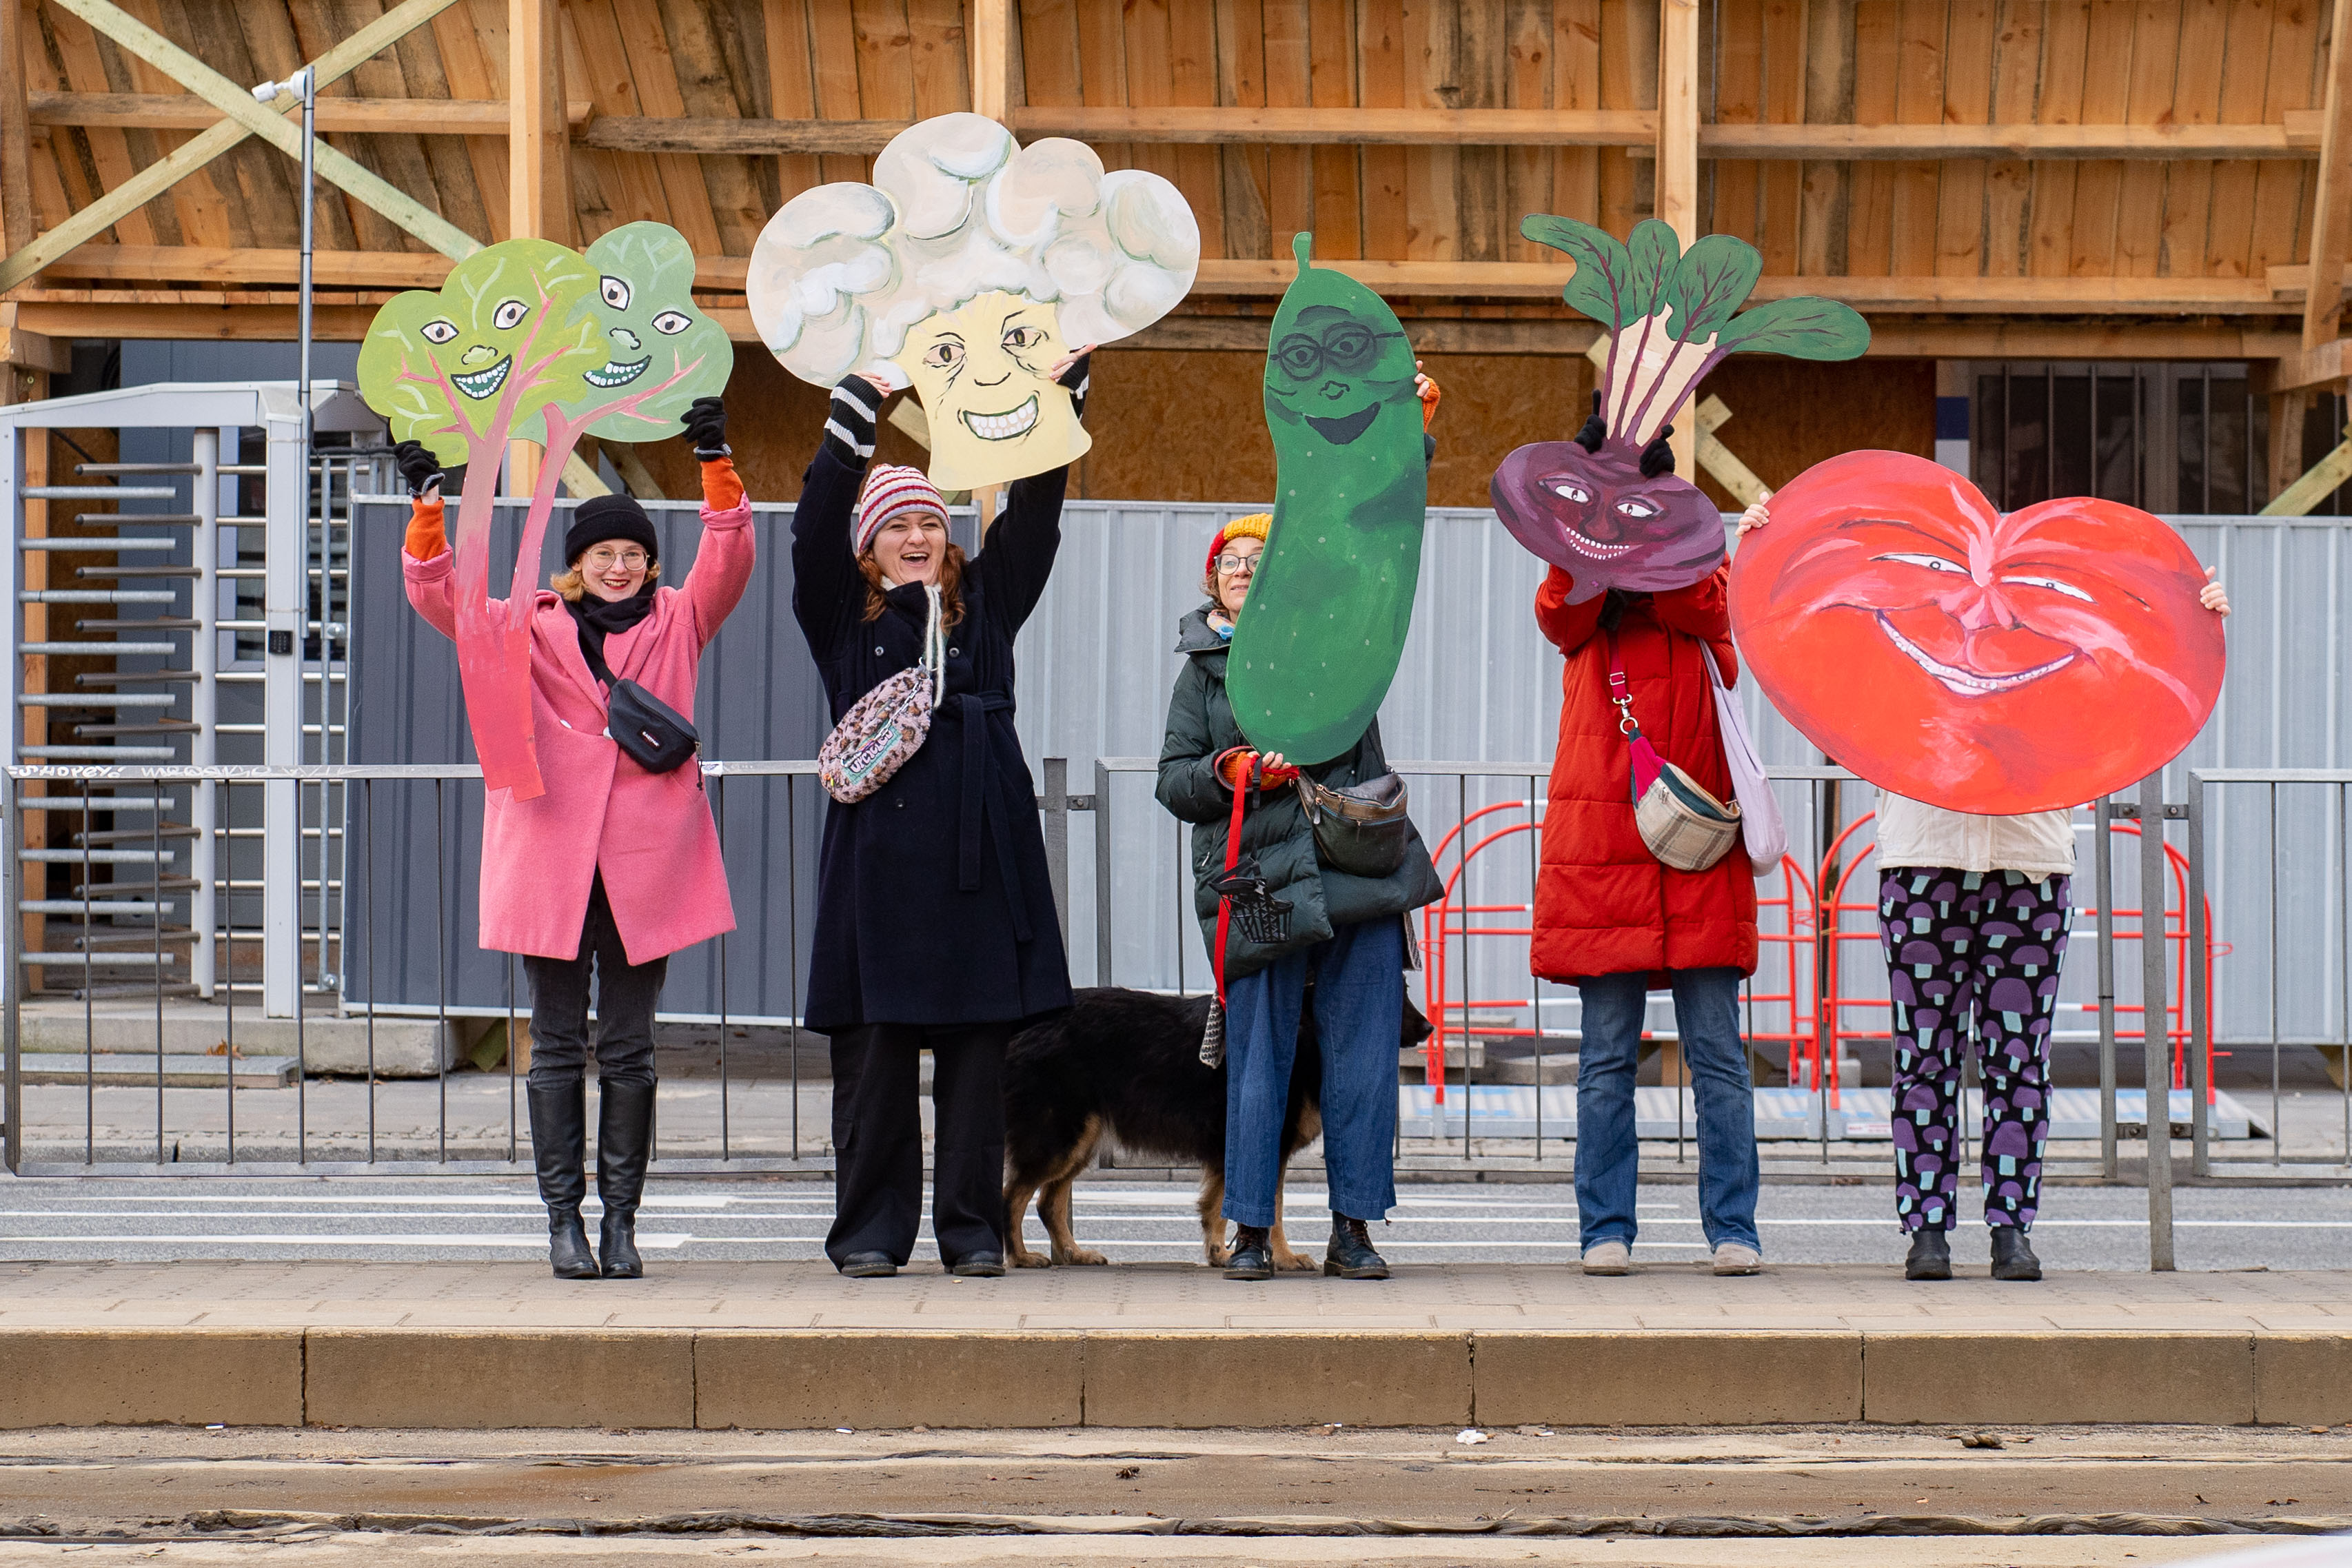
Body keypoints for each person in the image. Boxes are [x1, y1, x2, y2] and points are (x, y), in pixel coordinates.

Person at [1736, 496, 2231, 1283]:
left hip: (2027, 864)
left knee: (2017, 1059)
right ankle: (1926, 1228)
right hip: (1921, 860)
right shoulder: (1901, 650)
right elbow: (1816, 653)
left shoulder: (2051, 649)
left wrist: (2190, 617)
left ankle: (2010, 1228)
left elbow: (2135, 682)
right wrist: (1767, 543)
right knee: (1924, 1055)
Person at [396, 397, 750, 1281]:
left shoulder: (679, 620)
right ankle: (564, 1222)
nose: (623, 566)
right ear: (579, 568)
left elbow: (731, 556)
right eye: (606, 555)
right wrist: (430, 513)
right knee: (555, 1042)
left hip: (645, 865)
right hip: (554, 859)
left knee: (629, 1045)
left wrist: (714, 459)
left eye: (635, 553)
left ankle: (621, 1220)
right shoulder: (529, 622)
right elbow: (441, 599)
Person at [793, 360, 1088, 1280]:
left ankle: (970, 1231)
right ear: (870, 545)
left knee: (974, 1061)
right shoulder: (842, 614)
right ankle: (872, 1232)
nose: (917, 536)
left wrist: (1059, 400)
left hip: (979, 857)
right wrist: (856, 414)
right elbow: (809, 529)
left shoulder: (987, 603)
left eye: (930, 522)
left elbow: (1034, 515)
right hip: (880, 868)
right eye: (897, 526)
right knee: (877, 1063)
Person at [1155, 373, 1446, 1284]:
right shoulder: (1202, 677)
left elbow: (1382, 546)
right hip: (1261, 884)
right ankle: (1248, 1230)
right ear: (1216, 582)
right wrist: (1229, 770)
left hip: (1356, 875)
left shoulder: (1339, 634)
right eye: (1232, 563)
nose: (1248, 571)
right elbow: (1175, 778)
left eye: (1262, 559)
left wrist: (1410, 440)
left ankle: (1353, 1228)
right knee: (1258, 1064)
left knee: (1361, 1066)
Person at [1532, 480, 1763, 1279]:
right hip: (1607, 855)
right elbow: (1558, 608)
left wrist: (1662, 554)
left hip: (1693, 853)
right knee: (1604, 1059)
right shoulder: (1582, 606)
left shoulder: (1698, 583)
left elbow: (1710, 610)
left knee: (1719, 1055)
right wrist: (1588, 547)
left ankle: (1733, 1227)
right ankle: (1604, 1228)